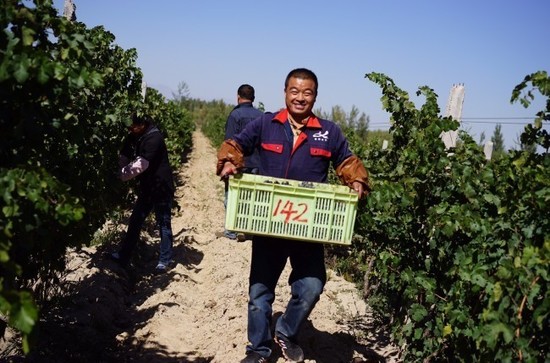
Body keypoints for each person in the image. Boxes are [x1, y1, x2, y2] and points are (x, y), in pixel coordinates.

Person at [216, 68, 370, 363]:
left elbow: (347, 161)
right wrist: (228, 162)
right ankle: (258, 350)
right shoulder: (266, 123)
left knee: (312, 287)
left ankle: (285, 331)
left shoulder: (329, 132)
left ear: (315, 96)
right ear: (285, 92)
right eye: (295, 91)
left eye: (307, 92)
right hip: (269, 223)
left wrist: (357, 180)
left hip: (308, 227)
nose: (300, 98)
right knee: (260, 293)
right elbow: (235, 145)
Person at [111, 113, 175, 273]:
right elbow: (125, 154)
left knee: (163, 223)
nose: (130, 129)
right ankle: (123, 256)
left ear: (142, 124)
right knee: (135, 222)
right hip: (147, 187)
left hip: (161, 188)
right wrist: (120, 165)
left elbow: (141, 164)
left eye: (133, 126)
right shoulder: (135, 135)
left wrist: (120, 176)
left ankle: (165, 261)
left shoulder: (155, 138)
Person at [222, 84, 263, 240]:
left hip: (239, 162)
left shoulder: (235, 115)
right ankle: (248, 230)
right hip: (257, 163)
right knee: (253, 197)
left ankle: (231, 230)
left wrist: (227, 163)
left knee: (232, 195)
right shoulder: (261, 116)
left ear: (238, 97)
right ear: (253, 98)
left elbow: (230, 142)